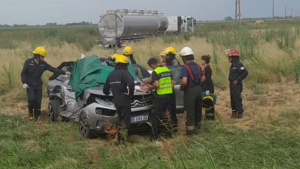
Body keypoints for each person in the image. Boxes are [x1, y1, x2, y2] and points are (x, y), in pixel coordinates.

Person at [21, 46, 69, 122]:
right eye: (42, 56)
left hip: (38, 85)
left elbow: (53, 69)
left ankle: (37, 115)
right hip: (29, 84)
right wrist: (24, 83)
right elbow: (23, 73)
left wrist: (65, 72)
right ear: (37, 55)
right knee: (32, 99)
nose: (43, 58)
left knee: (38, 101)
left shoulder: (43, 64)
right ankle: (30, 111)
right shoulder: (29, 62)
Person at [103, 55, 135, 140]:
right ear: (125, 64)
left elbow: (105, 89)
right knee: (126, 122)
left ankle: (120, 138)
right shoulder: (124, 72)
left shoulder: (111, 74)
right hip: (124, 99)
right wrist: (131, 94)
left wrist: (108, 92)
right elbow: (131, 83)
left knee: (121, 119)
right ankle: (123, 140)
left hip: (116, 100)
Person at [145, 57, 174, 140]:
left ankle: (154, 136)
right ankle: (169, 134)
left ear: (154, 64)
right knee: (167, 115)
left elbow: (156, 85)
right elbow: (172, 84)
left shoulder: (156, 72)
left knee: (155, 116)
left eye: (151, 66)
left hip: (160, 97)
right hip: (168, 96)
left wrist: (151, 88)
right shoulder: (167, 70)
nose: (151, 68)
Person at [179, 47, 203, 135]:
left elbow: (184, 81)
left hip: (190, 90)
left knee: (190, 111)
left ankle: (190, 132)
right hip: (199, 89)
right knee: (198, 109)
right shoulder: (198, 66)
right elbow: (203, 78)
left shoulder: (185, 67)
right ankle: (198, 128)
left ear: (183, 58)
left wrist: (181, 88)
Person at [225, 48, 248, 119]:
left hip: (236, 84)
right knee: (232, 98)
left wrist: (237, 80)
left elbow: (245, 72)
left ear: (233, 57)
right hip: (232, 84)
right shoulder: (233, 64)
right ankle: (234, 112)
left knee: (237, 98)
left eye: (229, 57)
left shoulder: (238, 64)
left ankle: (240, 112)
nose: (228, 58)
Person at [200, 55, 215, 120]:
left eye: (201, 60)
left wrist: (208, 89)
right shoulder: (205, 68)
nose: (200, 61)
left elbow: (208, 79)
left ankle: (211, 117)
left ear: (204, 61)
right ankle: (208, 116)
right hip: (206, 87)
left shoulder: (207, 69)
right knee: (206, 102)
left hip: (208, 87)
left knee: (209, 102)